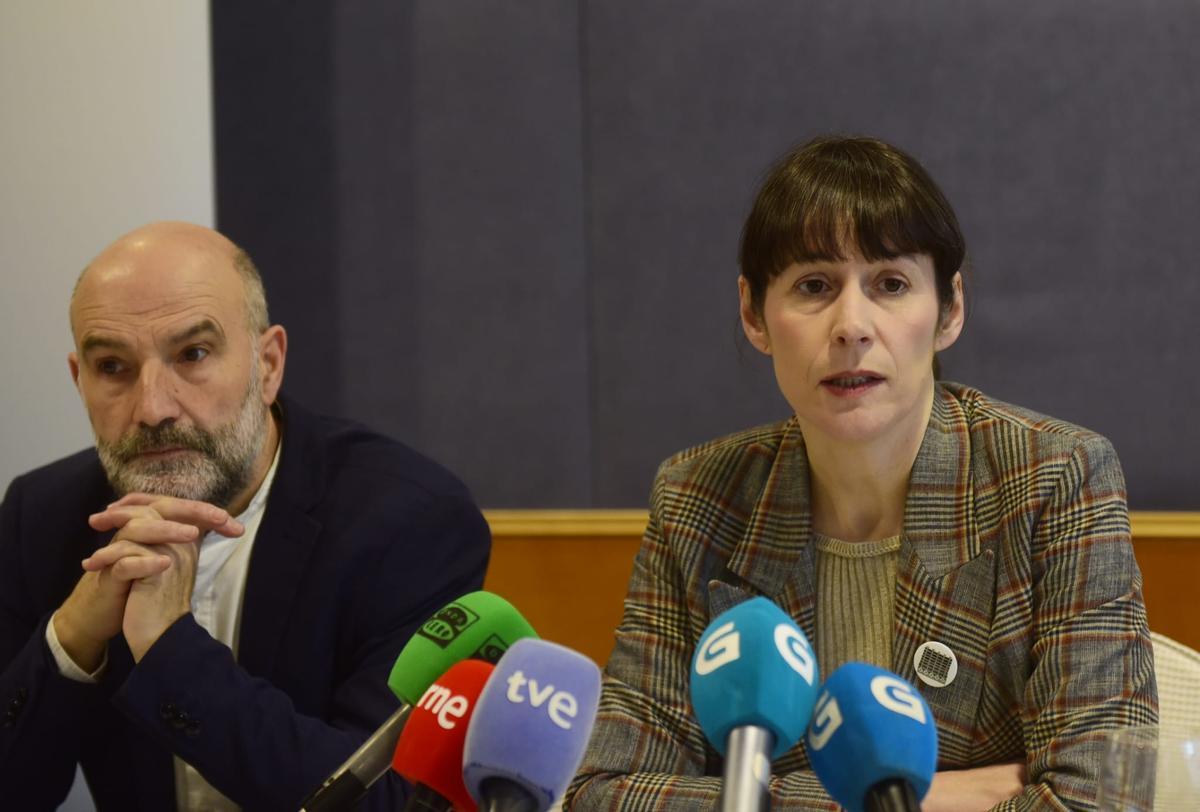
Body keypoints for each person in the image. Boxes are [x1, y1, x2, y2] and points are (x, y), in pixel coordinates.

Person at [565, 137, 1157, 810]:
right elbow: (605, 794)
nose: (852, 326)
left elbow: (1102, 800)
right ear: (754, 314)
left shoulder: (1055, 479)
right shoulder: (699, 500)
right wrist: (910, 798)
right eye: (814, 286)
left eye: (891, 285)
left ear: (950, 310)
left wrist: (745, 797)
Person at [0, 222, 491, 810]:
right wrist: (69, 642)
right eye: (112, 367)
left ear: (268, 364)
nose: (153, 408)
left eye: (193, 354)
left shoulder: (410, 522)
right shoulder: (41, 517)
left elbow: (381, 800)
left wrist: (168, 649)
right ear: (79, 381)